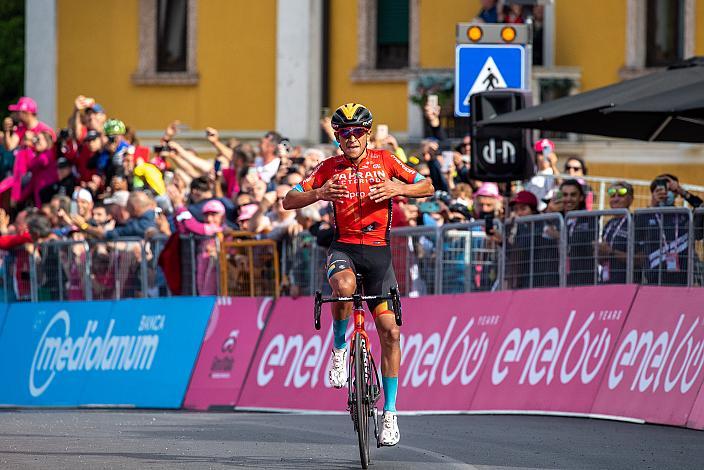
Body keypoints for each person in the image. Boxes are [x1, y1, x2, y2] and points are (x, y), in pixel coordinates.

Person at [282, 102, 433, 447]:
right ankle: (338, 349)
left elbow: (427, 185)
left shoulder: (386, 161)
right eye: (343, 133)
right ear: (337, 137)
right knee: (345, 288)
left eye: (357, 132)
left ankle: (390, 413)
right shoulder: (329, 167)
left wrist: (399, 189)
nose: (351, 139)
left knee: (390, 332)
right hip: (345, 249)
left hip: (379, 254)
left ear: (367, 134)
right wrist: (318, 193)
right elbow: (289, 200)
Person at [597, 181, 634, 284]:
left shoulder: (635, 222)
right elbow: (602, 260)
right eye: (612, 196)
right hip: (606, 282)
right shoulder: (609, 224)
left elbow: (641, 259)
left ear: (630, 199)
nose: (616, 199)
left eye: (621, 195)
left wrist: (611, 252)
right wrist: (598, 252)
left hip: (627, 283)